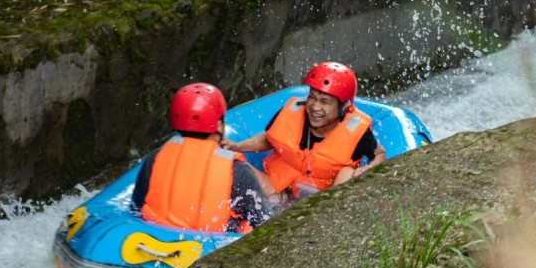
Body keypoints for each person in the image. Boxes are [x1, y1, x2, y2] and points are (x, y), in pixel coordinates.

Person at [223, 61, 384, 199]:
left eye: (325, 102)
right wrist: (237, 147)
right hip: (275, 192)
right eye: (312, 97)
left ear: (344, 107)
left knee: (347, 173)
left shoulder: (357, 132)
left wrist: (365, 170)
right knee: (227, 159)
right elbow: (269, 138)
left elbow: (379, 154)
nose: (315, 107)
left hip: (319, 203)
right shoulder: (293, 112)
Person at [132, 82, 271, 233]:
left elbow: (136, 209)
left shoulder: (155, 158)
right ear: (218, 125)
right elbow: (264, 228)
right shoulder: (237, 172)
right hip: (211, 248)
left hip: (152, 241)